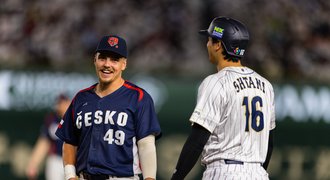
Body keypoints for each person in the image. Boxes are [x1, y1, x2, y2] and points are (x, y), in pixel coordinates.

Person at [171, 16, 276, 180]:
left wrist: (177, 177)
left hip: (225, 172)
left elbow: (198, 139)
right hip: (259, 173)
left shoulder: (215, 82)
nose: (207, 44)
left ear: (218, 45)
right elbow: (269, 143)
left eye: (209, 40)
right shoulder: (266, 85)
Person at [55, 35, 162, 180]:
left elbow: (146, 145)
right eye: (102, 58)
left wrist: (150, 178)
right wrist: (70, 176)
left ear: (124, 64)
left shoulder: (139, 97)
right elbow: (69, 142)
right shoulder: (81, 98)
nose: (107, 64)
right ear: (95, 60)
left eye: (114, 60)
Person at [26, 94, 71, 180]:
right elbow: (43, 143)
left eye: (65, 103)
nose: (62, 105)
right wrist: (33, 163)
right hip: (56, 160)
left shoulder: (78, 118)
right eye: (60, 103)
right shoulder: (52, 120)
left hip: (73, 160)